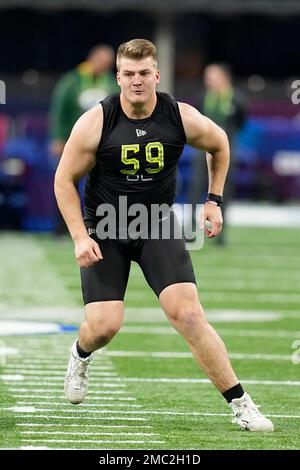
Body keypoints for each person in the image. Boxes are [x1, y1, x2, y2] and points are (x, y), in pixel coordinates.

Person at [54, 39, 273, 432]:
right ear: (117, 76)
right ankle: (81, 353)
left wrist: (213, 200)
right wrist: (79, 237)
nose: (136, 82)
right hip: (106, 227)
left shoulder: (179, 115)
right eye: (128, 74)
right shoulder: (96, 121)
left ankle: (241, 404)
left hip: (155, 223)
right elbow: (63, 180)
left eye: (144, 74)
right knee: (104, 326)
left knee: (188, 314)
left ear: (156, 74)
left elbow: (219, 143)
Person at [50, 44, 119, 235]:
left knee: (103, 185)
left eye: (108, 63)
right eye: (102, 61)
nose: (104, 66)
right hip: (74, 143)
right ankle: (62, 228)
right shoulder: (72, 81)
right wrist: (58, 137)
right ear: (93, 59)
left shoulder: (111, 83)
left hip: (102, 143)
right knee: (66, 181)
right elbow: (58, 111)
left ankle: (101, 228)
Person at [189, 63, 247, 244]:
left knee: (224, 192)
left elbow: (241, 121)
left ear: (224, 77)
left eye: (211, 76)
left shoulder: (237, 98)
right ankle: (192, 231)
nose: (208, 80)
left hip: (226, 152)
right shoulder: (204, 96)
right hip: (202, 151)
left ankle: (220, 234)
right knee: (196, 188)